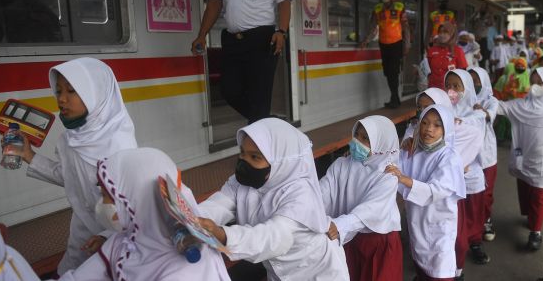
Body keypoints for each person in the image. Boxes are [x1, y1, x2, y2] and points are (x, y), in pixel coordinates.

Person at [5, 58, 137, 275]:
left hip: (116, 236)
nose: (61, 100)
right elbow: (70, 177)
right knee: (69, 270)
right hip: (81, 231)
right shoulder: (70, 138)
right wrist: (29, 156)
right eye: (58, 91)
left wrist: (107, 237)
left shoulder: (120, 147)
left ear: (96, 93)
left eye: (71, 91)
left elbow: (135, 210)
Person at [196, 118, 350, 280]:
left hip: (317, 273)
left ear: (280, 162)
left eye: (255, 157)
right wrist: (193, 218)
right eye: (242, 153)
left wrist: (222, 234)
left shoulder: (300, 194)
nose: (244, 161)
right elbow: (219, 204)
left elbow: (272, 237)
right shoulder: (242, 182)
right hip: (278, 271)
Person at [57, 148, 231, 281]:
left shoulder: (185, 271)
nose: (100, 205)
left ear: (134, 202)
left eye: (105, 197)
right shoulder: (127, 242)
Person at [385, 105, 465, 281]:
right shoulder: (413, 150)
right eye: (425, 123)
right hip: (416, 221)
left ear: (446, 129)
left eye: (437, 125)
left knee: (440, 269)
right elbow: (392, 168)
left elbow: (438, 190)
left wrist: (405, 179)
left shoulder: (449, 157)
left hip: (439, 226)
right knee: (421, 263)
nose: (429, 129)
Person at [319, 116, 403, 281]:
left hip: (378, 242)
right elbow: (324, 190)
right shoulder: (342, 164)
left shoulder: (387, 175)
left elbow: (370, 211)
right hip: (348, 236)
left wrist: (340, 224)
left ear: (381, 143)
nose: (357, 141)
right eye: (356, 135)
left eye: (365, 138)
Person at [497, 67, 543, 250]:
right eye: (533, 82)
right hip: (521, 154)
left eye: (540, 83)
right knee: (524, 184)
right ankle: (531, 218)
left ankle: (536, 233)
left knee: (539, 194)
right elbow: (501, 106)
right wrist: (482, 103)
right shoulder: (522, 105)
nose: (535, 87)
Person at [444, 70, 489, 272]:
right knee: (457, 221)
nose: (451, 90)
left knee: (473, 215)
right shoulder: (443, 112)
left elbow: (477, 140)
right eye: (448, 86)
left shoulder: (477, 114)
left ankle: (475, 243)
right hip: (450, 179)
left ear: (467, 88)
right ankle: (455, 255)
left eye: (456, 86)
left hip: (471, 177)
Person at [360, 0, 411, 108]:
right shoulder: (377, 9)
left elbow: (406, 27)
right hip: (383, 44)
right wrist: (366, 40)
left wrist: (407, 44)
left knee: (393, 71)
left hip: (396, 44)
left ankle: (394, 98)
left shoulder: (400, 7)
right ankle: (395, 97)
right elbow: (373, 27)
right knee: (387, 72)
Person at [468, 67, 500, 242]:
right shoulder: (462, 99)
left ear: (484, 82)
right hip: (468, 156)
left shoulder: (491, 101)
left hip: (486, 155)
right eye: (470, 81)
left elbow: (489, 116)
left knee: (486, 192)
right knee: (469, 193)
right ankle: (470, 227)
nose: (474, 85)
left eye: (477, 81)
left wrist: (480, 110)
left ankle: (486, 220)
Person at [426, 22, 468, 89]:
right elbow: (427, 70)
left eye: (445, 32)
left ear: (451, 34)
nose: (442, 35)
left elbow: (463, 73)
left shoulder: (458, 50)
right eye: (440, 32)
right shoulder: (431, 50)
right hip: (434, 89)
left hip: (451, 90)